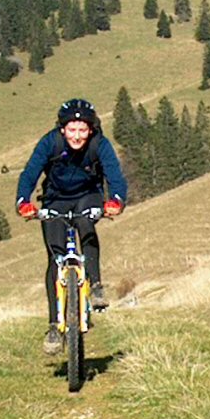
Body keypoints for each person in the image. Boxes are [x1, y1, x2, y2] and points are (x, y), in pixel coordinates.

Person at [16, 98, 128, 355]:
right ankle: (54, 325)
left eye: (82, 130)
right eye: (72, 129)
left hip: (87, 195)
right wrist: (23, 201)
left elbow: (115, 176)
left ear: (91, 129)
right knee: (55, 258)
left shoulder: (100, 144)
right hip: (55, 198)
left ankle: (96, 285)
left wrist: (116, 201)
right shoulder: (50, 143)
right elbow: (30, 173)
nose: (77, 136)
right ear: (63, 129)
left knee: (85, 223)